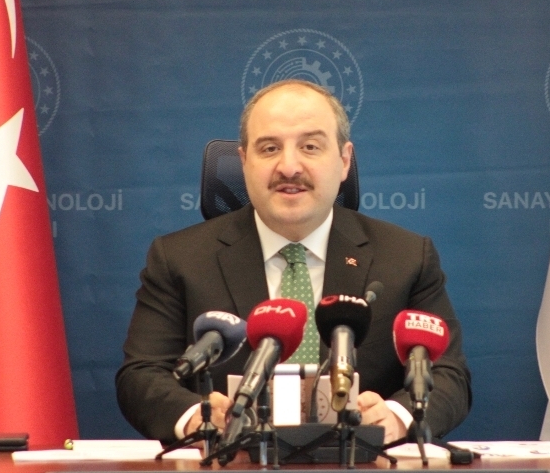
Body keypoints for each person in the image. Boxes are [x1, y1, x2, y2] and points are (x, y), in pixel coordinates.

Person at [116, 80, 471, 444]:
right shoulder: (179, 259)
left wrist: (395, 417)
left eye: (310, 147)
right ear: (244, 162)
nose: (288, 167)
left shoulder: (405, 257)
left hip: (361, 466)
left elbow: (449, 375)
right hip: (230, 465)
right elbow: (142, 375)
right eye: (269, 148)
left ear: (344, 160)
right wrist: (198, 417)